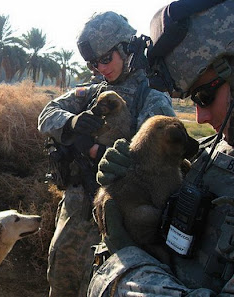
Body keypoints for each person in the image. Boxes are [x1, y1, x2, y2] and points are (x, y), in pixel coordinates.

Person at [88, 0, 234, 296]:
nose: (200, 117)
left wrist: (129, 262)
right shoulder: (210, 155)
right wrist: (123, 204)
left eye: (204, 96)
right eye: (193, 100)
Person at [38, 11, 175, 297]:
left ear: (126, 49)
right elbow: (46, 115)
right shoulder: (90, 92)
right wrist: (71, 123)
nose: (100, 68)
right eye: (92, 63)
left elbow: (162, 168)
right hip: (73, 217)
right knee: (60, 282)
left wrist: (97, 151)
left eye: (105, 59)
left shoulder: (150, 97)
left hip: (115, 227)